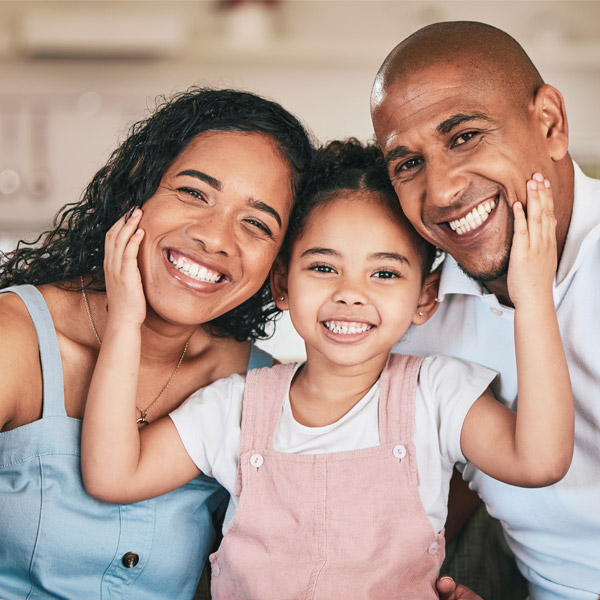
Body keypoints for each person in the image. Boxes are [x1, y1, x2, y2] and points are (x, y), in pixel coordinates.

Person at [80, 139, 572, 598]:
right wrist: (126, 320)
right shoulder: (235, 405)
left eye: (384, 273)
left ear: (425, 296)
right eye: (322, 267)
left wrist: (533, 300)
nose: (350, 293)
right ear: (282, 285)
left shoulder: (436, 393)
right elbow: (113, 476)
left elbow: (539, 461)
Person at [0, 87, 314, 600]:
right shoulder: (15, 338)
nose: (216, 237)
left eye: (256, 223)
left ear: (278, 263)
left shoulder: (256, 385)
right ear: (136, 187)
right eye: (194, 193)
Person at [370, 20, 600, 600]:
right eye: (408, 163)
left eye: (465, 136)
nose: (442, 191)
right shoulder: (415, 317)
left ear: (549, 124)